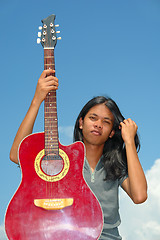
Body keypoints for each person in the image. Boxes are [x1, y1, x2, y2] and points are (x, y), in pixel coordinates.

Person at [10, 69, 147, 240]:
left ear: (112, 132)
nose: (98, 125)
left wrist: (129, 142)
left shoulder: (114, 166)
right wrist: (37, 101)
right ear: (81, 122)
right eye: (93, 118)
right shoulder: (61, 160)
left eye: (106, 122)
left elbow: (140, 196)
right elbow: (17, 155)